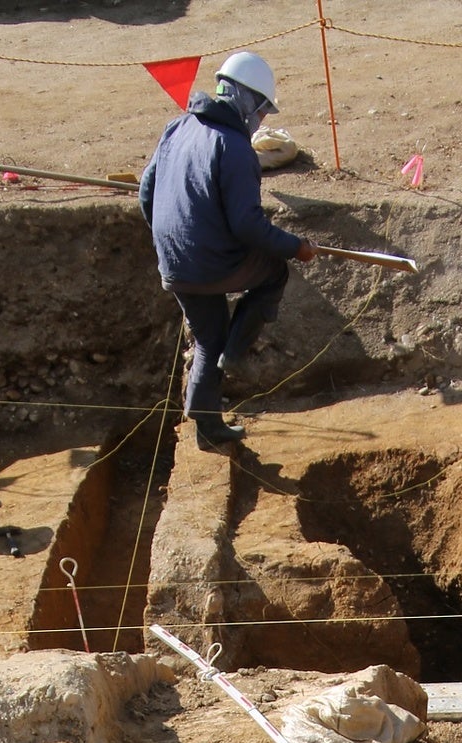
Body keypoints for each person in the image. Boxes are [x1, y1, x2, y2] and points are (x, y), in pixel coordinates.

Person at [139, 48, 319, 457]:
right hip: (207, 263)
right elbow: (247, 225)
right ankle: (235, 354)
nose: (262, 120)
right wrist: (296, 248)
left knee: (208, 337)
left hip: (173, 260)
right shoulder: (235, 148)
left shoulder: (177, 127)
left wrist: (171, 239)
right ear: (245, 99)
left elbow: (146, 193)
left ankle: (206, 424)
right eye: (261, 109)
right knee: (273, 272)